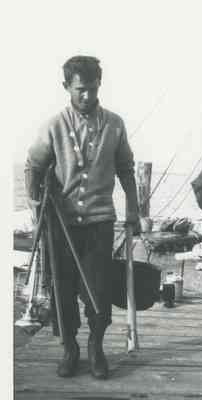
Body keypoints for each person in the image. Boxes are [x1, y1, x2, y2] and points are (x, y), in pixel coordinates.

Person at [25, 56, 141, 379]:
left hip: (99, 222)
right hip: (60, 225)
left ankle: (96, 347)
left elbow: (126, 169)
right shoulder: (53, 125)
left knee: (98, 289)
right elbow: (33, 167)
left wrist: (133, 210)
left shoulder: (115, 125)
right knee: (62, 289)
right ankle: (70, 349)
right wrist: (35, 207)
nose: (87, 96)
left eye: (92, 88)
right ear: (66, 87)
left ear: (99, 84)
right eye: (80, 90)